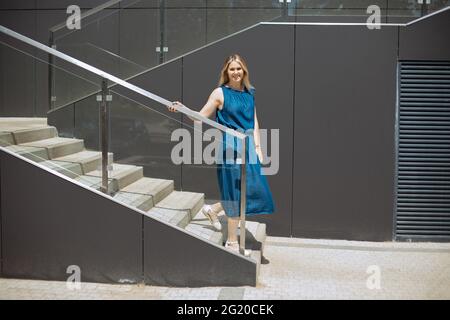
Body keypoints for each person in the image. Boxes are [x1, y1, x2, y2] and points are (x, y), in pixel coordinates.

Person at [168, 54, 275, 256]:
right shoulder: (219, 93)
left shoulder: (250, 93)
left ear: (245, 71)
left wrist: (259, 148)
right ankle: (232, 240)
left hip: (248, 147)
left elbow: (254, 121)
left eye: (239, 68)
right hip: (229, 147)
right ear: (226, 72)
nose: (236, 72)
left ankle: (214, 210)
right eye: (232, 69)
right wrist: (183, 109)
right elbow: (200, 117)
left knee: (251, 191)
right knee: (235, 192)